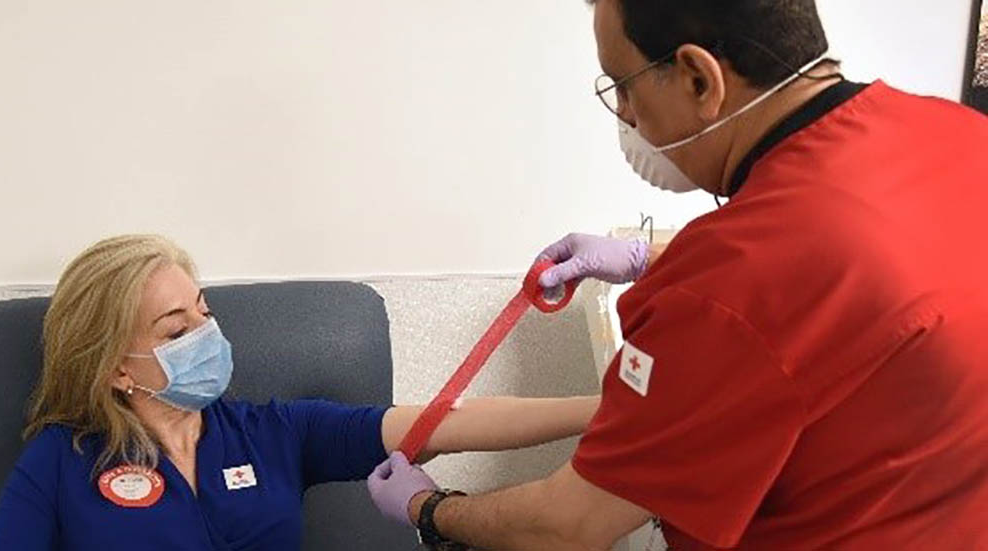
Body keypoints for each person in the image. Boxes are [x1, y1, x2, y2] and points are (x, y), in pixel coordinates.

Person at [367, 0, 988, 549]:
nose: (628, 115)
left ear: (698, 77)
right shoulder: (956, 134)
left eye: (625, 86)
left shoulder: (723, 291)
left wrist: (432, 510)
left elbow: (566, 526)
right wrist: (647, 258)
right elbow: (846, 276)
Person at [0, 234, 600, 551]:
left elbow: (451, 421)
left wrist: (617, 409)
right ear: (117, 368)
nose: (207, 335)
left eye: (204, 312)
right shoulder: (60, 462)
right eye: (177, 330)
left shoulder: (274, 432)